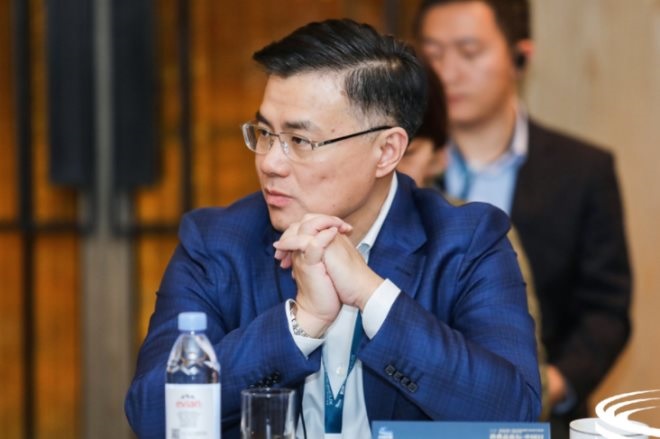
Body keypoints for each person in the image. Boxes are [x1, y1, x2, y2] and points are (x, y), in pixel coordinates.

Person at [125, 18, 541, 439]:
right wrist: (301, 323)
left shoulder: (465, 243)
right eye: (265, 133)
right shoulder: (217, 242)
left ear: (387, 151)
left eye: (300, 141)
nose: (270, 162)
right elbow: (153, 413)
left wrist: (372, 295)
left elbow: (514, 417)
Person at [414, 1, 632, 436]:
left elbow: (606, 309)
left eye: (469, 52)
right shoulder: (403, 161)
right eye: (432, 54)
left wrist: (549, 386)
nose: (446, 73)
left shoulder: (582, 169)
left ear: (521, 57)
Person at [397, 70, 551, 419]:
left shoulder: (477, 234)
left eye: (408, 153)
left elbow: (528, 384)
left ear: (440, 156)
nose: (388, 168)